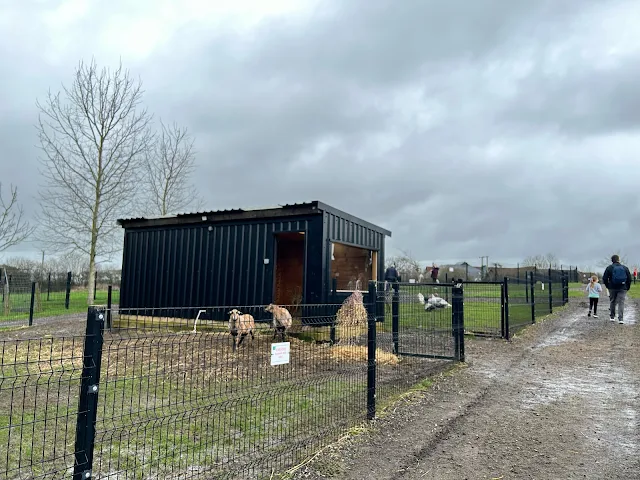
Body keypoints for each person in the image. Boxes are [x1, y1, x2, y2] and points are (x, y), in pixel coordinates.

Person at [602, 255, 632, 324]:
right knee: (621, 302)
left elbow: (605, 278)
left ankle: (612, 317)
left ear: (612, 260)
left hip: (612, 287)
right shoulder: (625, 268)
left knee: (612, 301)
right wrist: (627, 287)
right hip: (623, 287)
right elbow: (629, 279)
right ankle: (621, 319)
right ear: (619, 259)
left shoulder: (609, 268)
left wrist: (608, 286)